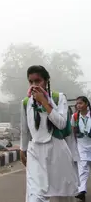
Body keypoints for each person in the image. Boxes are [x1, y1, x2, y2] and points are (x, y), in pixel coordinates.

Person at [20, 65, 78, 202]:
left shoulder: (59, 98)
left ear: (46, 81)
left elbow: (61, 123)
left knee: (62, 195)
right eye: (31, 82)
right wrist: (23, 149)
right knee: (35, 196)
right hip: (35, 152)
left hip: (56, 151)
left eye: (38, 81)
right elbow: (24, 129)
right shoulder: (25, 102)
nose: (34, 85)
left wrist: (45, 102)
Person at [72, 96, 91, 202]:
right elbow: (72, 131)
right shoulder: (75, 116)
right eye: (77, 103)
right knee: (82, 167)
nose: (78, 105)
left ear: (86, 104)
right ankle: (82, 191)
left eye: (81, 103)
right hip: (81, 145)